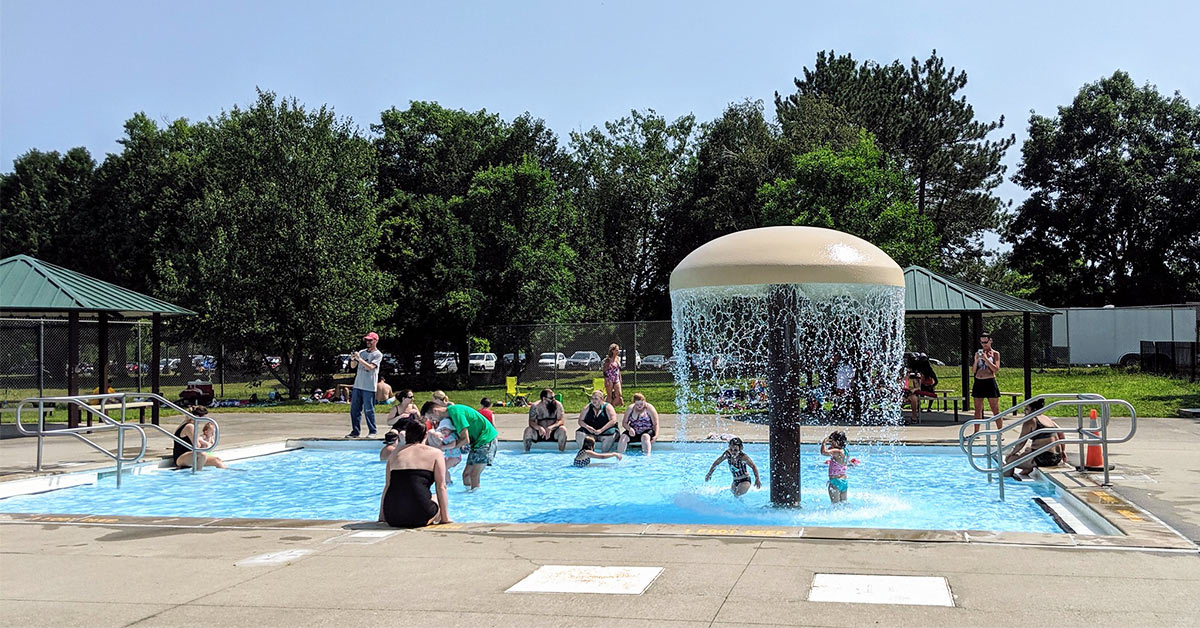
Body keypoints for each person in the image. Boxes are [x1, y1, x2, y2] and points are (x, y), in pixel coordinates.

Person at [378, 418, 451, 528]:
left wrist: (382, 517)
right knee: (435, 497)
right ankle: (443, 517)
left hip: (393, 516)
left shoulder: (394, 454)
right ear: (425, 435)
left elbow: (387, 486)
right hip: (419, 516)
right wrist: (445, 518)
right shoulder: (436, 453)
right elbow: (441, 486)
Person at [422, 399, 497, 490]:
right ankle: (469, 498)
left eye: (430, 417)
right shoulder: (450, 414)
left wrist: (447, 449)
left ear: (435, 411)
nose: (432, 421)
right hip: (477, 443)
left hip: (486, 440)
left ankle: (477, 499)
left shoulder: (456, 413)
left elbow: (465, 439)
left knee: (474, 475)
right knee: (466, 475)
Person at [1004, 400, 1068, 476]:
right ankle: (1025, 472)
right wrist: (1063, 451)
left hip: (1043, 459)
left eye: (1027, 409)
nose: (1024, 411)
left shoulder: (1030, 420)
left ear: (1034, 410)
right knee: (1028, 449)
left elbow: (1021, 442)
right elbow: (1061, 434)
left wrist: (1011, 454)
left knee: (1010, 460)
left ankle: (1006, 480)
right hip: (1057, 457)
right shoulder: (1047, 418)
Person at [346, 332, 383, 438]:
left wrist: (359, 359)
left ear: (375, 341)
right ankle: (355, 431)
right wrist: (353, 358)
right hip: (358, 385)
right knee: (354, 410)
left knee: (368, 410)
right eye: (367, 340)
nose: (368, 342)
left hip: (369, 386)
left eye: (370, 340)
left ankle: (372, 431)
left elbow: (370, 367)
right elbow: (353, 366)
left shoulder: (377, 354)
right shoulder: (362, 352)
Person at [971, 332, 1003, 433]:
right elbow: (973, 370)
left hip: (989, 381)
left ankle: (1000, 432)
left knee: (995, 409)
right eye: (982, 342)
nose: (984, 344)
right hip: (979, 381)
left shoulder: (995, 354)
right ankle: (976, 432)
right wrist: (976, 360)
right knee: (978, 409)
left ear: (990, 341)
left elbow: (996, 369)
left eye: (985, 342)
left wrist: (986, 359)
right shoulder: (978, 353)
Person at [523, 388, 567, 452]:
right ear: (544, 399)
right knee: (528, 430)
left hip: (553, 433)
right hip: (540, 433)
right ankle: (526, 453)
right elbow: (531, 422)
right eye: (551, 398)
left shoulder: (558, 405)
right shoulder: (535, 406)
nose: (554, 399)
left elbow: (561, 421)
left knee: (563, 429)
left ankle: (561, 453)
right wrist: (539, 428)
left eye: (554, 397)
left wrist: (551, 428)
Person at [820, 430, 857, 503]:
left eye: (832, 441)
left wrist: (824, 442)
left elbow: (823, 452)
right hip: (844, 482)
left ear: (837, 442)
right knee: (843, 505)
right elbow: (832, 449)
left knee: (835, 506)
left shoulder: (837, 452)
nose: (831, 443)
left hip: (835, 482)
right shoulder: (846, 451)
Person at [426, 418, 462, 485]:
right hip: (449, 456)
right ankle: (447, 481)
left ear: (450, 429)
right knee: (441, 468)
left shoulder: (452, 436)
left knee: (444, 468)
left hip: (455, 457)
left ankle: (448, 482)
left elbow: (453, 445)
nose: (443, 431)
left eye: (445, 429)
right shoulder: (446, 436)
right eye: (441, 429)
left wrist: (443, 447)